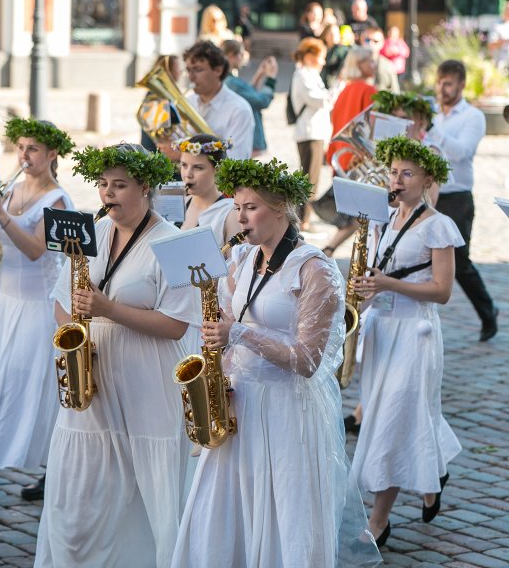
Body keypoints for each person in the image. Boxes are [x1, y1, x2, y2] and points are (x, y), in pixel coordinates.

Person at [171, 158, 381, 567]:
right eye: (237, 207)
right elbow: (235, 321)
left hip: (287, 412)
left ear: (282, 207)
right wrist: (220, 370)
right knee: (223, 516)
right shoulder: (244, 260)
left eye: (251, 208)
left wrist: (238, 333)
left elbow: (306, 359)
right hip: (241, 407)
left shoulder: (315, 269)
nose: (240, 217)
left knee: (284, 517)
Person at [35, 143, 192, 568]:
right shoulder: (91, 232)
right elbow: (60, 301)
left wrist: (107, 310)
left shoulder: (176, 242)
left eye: (120, 185)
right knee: (82, 489)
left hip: (147, 381)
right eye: (103, 184)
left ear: (145, 187)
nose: (109, 193)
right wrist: (78, 334)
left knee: (148, 494)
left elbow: (177, 325)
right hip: (94, 378)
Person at [350, 136, 462, 546]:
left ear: (427, 179)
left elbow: (443, 291)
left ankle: (379, 520)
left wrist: (387, 283)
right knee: (400, 414)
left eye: (407, 173)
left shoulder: (438, 225)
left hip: (416, 334)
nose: (397, 179)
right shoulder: (383, 219)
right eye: (394, 172)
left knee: (393, 423)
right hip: (382, 331)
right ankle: (435, 468)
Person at [0, 119, 74, 507]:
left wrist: (2, 216)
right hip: (7, 302)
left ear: (51, 155)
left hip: (38, 307)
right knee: (4, 383)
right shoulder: (11, 187)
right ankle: (52, 468)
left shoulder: (57, 200)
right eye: (21, 147)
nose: (24, 156)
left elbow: (35, 250)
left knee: (18, 388)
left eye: (32, 150)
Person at [424, 60, 499, 341]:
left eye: (448, 84)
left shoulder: (473, 117)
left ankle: (487, 310)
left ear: (461, 85)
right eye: (439, 82)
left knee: (459, 262)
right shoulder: (435, 114)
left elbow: (461, 153)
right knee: (424, 259)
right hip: (430, 193)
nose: (441, 89)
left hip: (457, 196)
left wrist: (431, 129)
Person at [175, 133, 242, 355]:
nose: (188, 174)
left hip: (207, 309)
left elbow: (237, 271)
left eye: (198, 167)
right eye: (184, 165)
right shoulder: (178, 204)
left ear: (217, 170)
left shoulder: (229, 211)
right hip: (176, 305)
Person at [317, 47, 379, 255]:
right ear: (358, 65)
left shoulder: (345, 90)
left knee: (358, 217)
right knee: (367, 216)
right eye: (369, 61)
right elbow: (374, 129)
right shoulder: (368, 91)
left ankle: (329, 249)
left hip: (342, 157)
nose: (374, 65)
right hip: (360, 160)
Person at [184, 41, 255, 160]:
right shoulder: (188, 102)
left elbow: (235, 161)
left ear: (218, 70)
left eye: (198, 70)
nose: (191, 77)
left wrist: (181, 154)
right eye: (188, 70)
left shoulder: (239, 110)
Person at [290, 37, 334, 226]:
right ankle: (303, 220)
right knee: (310, 178)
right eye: (320, 57)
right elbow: (317, 99)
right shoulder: (303, 74)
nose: (323, 62)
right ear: (309, 56)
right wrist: (334, 91)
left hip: (314, 132)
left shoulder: (310, 74)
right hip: (309, 132)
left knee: (311, 177)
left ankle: (303, 218)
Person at [220, 39, 277, 155]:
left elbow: (248, 94)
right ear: (232, 56)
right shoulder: (231, 82)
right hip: (246, 136)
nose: (243, 58)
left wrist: (260, 74)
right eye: (241, 54)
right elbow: (261, 101)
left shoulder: (228, 79)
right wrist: (271, 78)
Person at [363, 27, 399, 93]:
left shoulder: (388, 65)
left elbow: (395, 91)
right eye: (367, 40)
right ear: (362, 41)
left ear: (382, 43)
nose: (371, 44)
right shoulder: (354, 62)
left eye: (375, 41)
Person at [320, 23, 350, 89]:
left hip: (336, 85)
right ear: (325, 35)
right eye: (330, 34)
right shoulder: (319, 50)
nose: (333, 36)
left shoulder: (344, 51)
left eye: (335, 34)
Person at [488, 2, 509, 72]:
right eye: (507, 9)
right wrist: (504, 40)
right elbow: (491, 45)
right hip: (501, 65)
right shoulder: (497, 25)